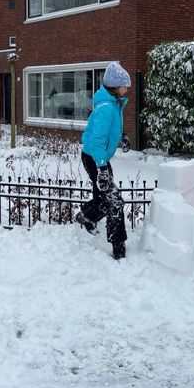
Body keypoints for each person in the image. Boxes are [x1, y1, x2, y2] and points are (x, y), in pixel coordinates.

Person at [75, 61, 131, 260]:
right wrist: (102, 169)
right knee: (114, 201)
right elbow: (97, 141)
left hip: (97, 157)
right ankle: (118, 247)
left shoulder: (113, 104)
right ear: (115, 86)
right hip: (94, 158)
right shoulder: (107, 107)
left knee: (104, 196)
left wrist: (120, 137)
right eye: (125, 85)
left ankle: (86, 217)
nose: (127, 88)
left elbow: (106, 132)